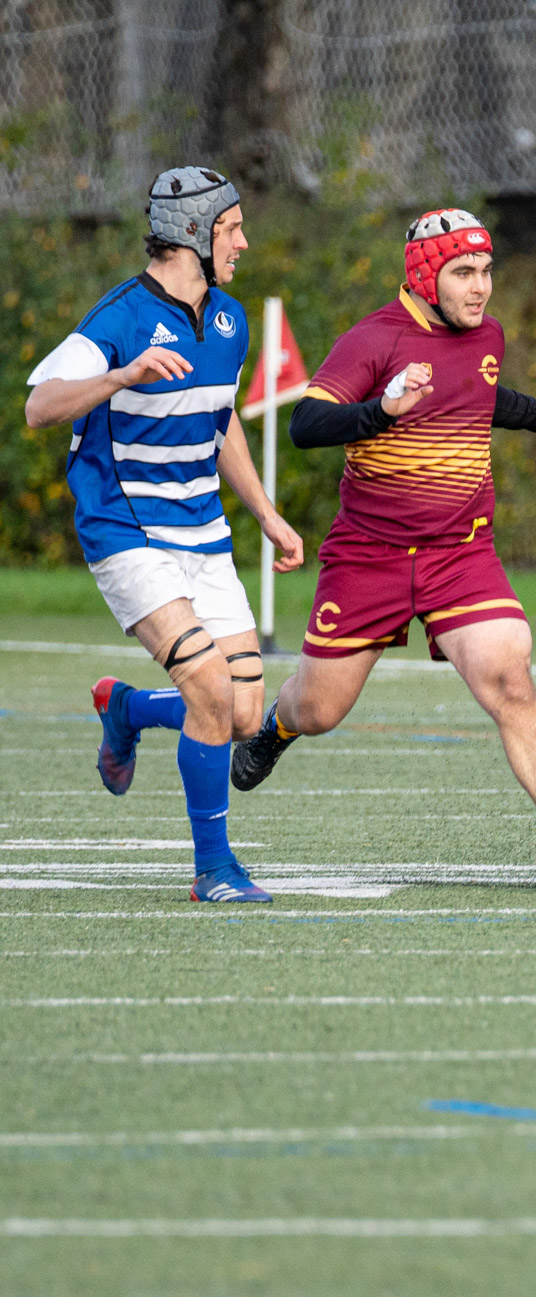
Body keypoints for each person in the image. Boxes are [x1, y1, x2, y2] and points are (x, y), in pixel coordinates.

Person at [227, 209, 536, 892]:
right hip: (368, 556)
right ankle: (276, 729)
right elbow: (307, 424)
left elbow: (480, 397)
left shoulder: (484, 333)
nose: (481, 287)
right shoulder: (375, 340)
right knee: (320, 711)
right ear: (425, 276)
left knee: (510, 676)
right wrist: (383, 411)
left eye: (487, 270)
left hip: (458, 553)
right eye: (464, 272)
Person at [24, 166, 304, 903]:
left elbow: (220, 422)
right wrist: (120, 376)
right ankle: (213, 869)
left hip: (202, 532)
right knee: (210, 688)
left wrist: (268, 515)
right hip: (125, 527)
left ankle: (127, 707)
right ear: (193, 234)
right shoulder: (117, 319)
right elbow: (40, 406)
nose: (244, 240)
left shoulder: (228, 319)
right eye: (233, 227)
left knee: (243, 713)